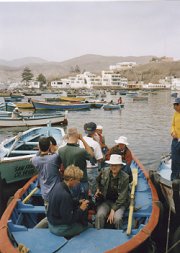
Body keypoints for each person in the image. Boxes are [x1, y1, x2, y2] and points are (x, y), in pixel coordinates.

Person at [47, 165, 89, 238]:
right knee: (87, 226)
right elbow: (69, 220)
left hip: (51, 223)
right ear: (71, 180)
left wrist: (78, 202)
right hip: (58, 228)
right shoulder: (65, 195)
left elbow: (62, 204)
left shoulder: (58, 186)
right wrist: (81, 209)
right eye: (78, 180)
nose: (79, 182)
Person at [95, 154, 129, 229]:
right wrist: (97, 189)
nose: (113, 167)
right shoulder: (104, 171)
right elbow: (97, 181)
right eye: (112, 165)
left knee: (117, 219)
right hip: (106, 201)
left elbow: (122, 197)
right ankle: (98, 233)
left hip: (120, 203)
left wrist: (113, 209)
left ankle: (118, 234)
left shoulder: (125, 177)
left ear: (120, 166)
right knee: (99, 215)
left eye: (116, 165)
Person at [58, 127, 94, 199]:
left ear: (68, 136)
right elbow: (92, 154)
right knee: (83, 202)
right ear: (77, 135)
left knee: (71, 201)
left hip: (68, 182)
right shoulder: (81, 151)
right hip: (81, 181)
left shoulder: (61, 150)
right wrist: (82, 139)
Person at [31, 137, 62, 209]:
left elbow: (37, 155)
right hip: (56, 192)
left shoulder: (34, 160)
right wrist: (51, 149)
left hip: (45, 193)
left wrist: (40, 150)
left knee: (48, 212)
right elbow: (56, 153)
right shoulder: (54, 157)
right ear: (49, 146)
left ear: (39, 147)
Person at [80, 122, 103, 195]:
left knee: (83, 188)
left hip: (82, 168)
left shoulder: (80, 141)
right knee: (93, 190)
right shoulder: (95, 143)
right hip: (92, 169)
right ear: (95, 131)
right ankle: (93, 201)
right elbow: (100, 159)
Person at [170, 97, 180, 180]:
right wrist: (172, 132)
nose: (174, 106)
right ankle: (174, 179)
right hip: (175, 141)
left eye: (176, 104)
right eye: (174, 104)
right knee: (175, 160)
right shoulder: (175, 114)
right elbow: (173, 125)